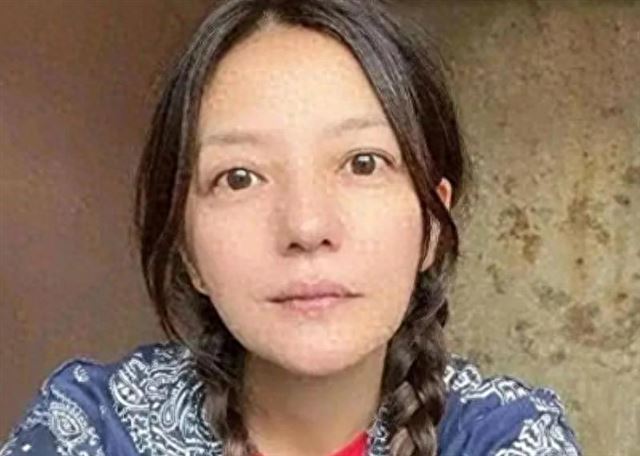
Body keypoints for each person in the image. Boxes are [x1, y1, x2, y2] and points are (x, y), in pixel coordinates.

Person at [0, 1, 583, 455]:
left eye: (363, 164)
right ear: (187, 248)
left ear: (433, 223)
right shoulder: (92, 430)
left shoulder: (506, 437)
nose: (306, 226)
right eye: (240, 177)